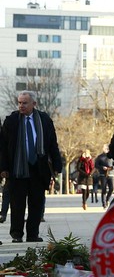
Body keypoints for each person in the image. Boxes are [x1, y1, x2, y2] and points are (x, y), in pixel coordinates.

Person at [0, 91, 63, 243]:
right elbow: (2, 147)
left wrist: (57, 165)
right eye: (19, 103)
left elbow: (52, 144)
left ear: (34, 104)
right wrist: (3, 168)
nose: (21, 106)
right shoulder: (12, 120)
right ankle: (17, 234)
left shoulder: (44, 120)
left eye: (25, 103)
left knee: (36, 203)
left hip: (38, 168)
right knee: (17, 204)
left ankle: (32, 234)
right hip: (17, 169)